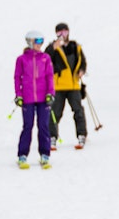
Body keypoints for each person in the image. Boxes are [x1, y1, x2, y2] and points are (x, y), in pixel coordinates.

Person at [14, 30, 55, 168]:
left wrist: (51, 93)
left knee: (43, 125)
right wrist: (19, 95)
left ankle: (45, 154)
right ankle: (22, 155)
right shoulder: (21, 59)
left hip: (44, 97)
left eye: (42, 41)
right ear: (30, 42)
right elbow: (17, 77)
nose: (40, 44)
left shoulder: (45, 58)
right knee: (28, 126)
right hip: (28, 97)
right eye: (37, 41)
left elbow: (50, 76)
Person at [47, 22, 88, 150]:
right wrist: (53, 48)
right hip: (58, 86)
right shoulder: (52, 47)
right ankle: (52, 137)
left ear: (68, 32)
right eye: (59, 32)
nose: (62, 35)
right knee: (55, 112)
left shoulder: (75, 46)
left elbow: (82, 62)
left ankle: (82, 134)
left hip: (73, 85)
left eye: (64, 32)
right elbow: (45, 60)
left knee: (78, 110)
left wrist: (81, 71)